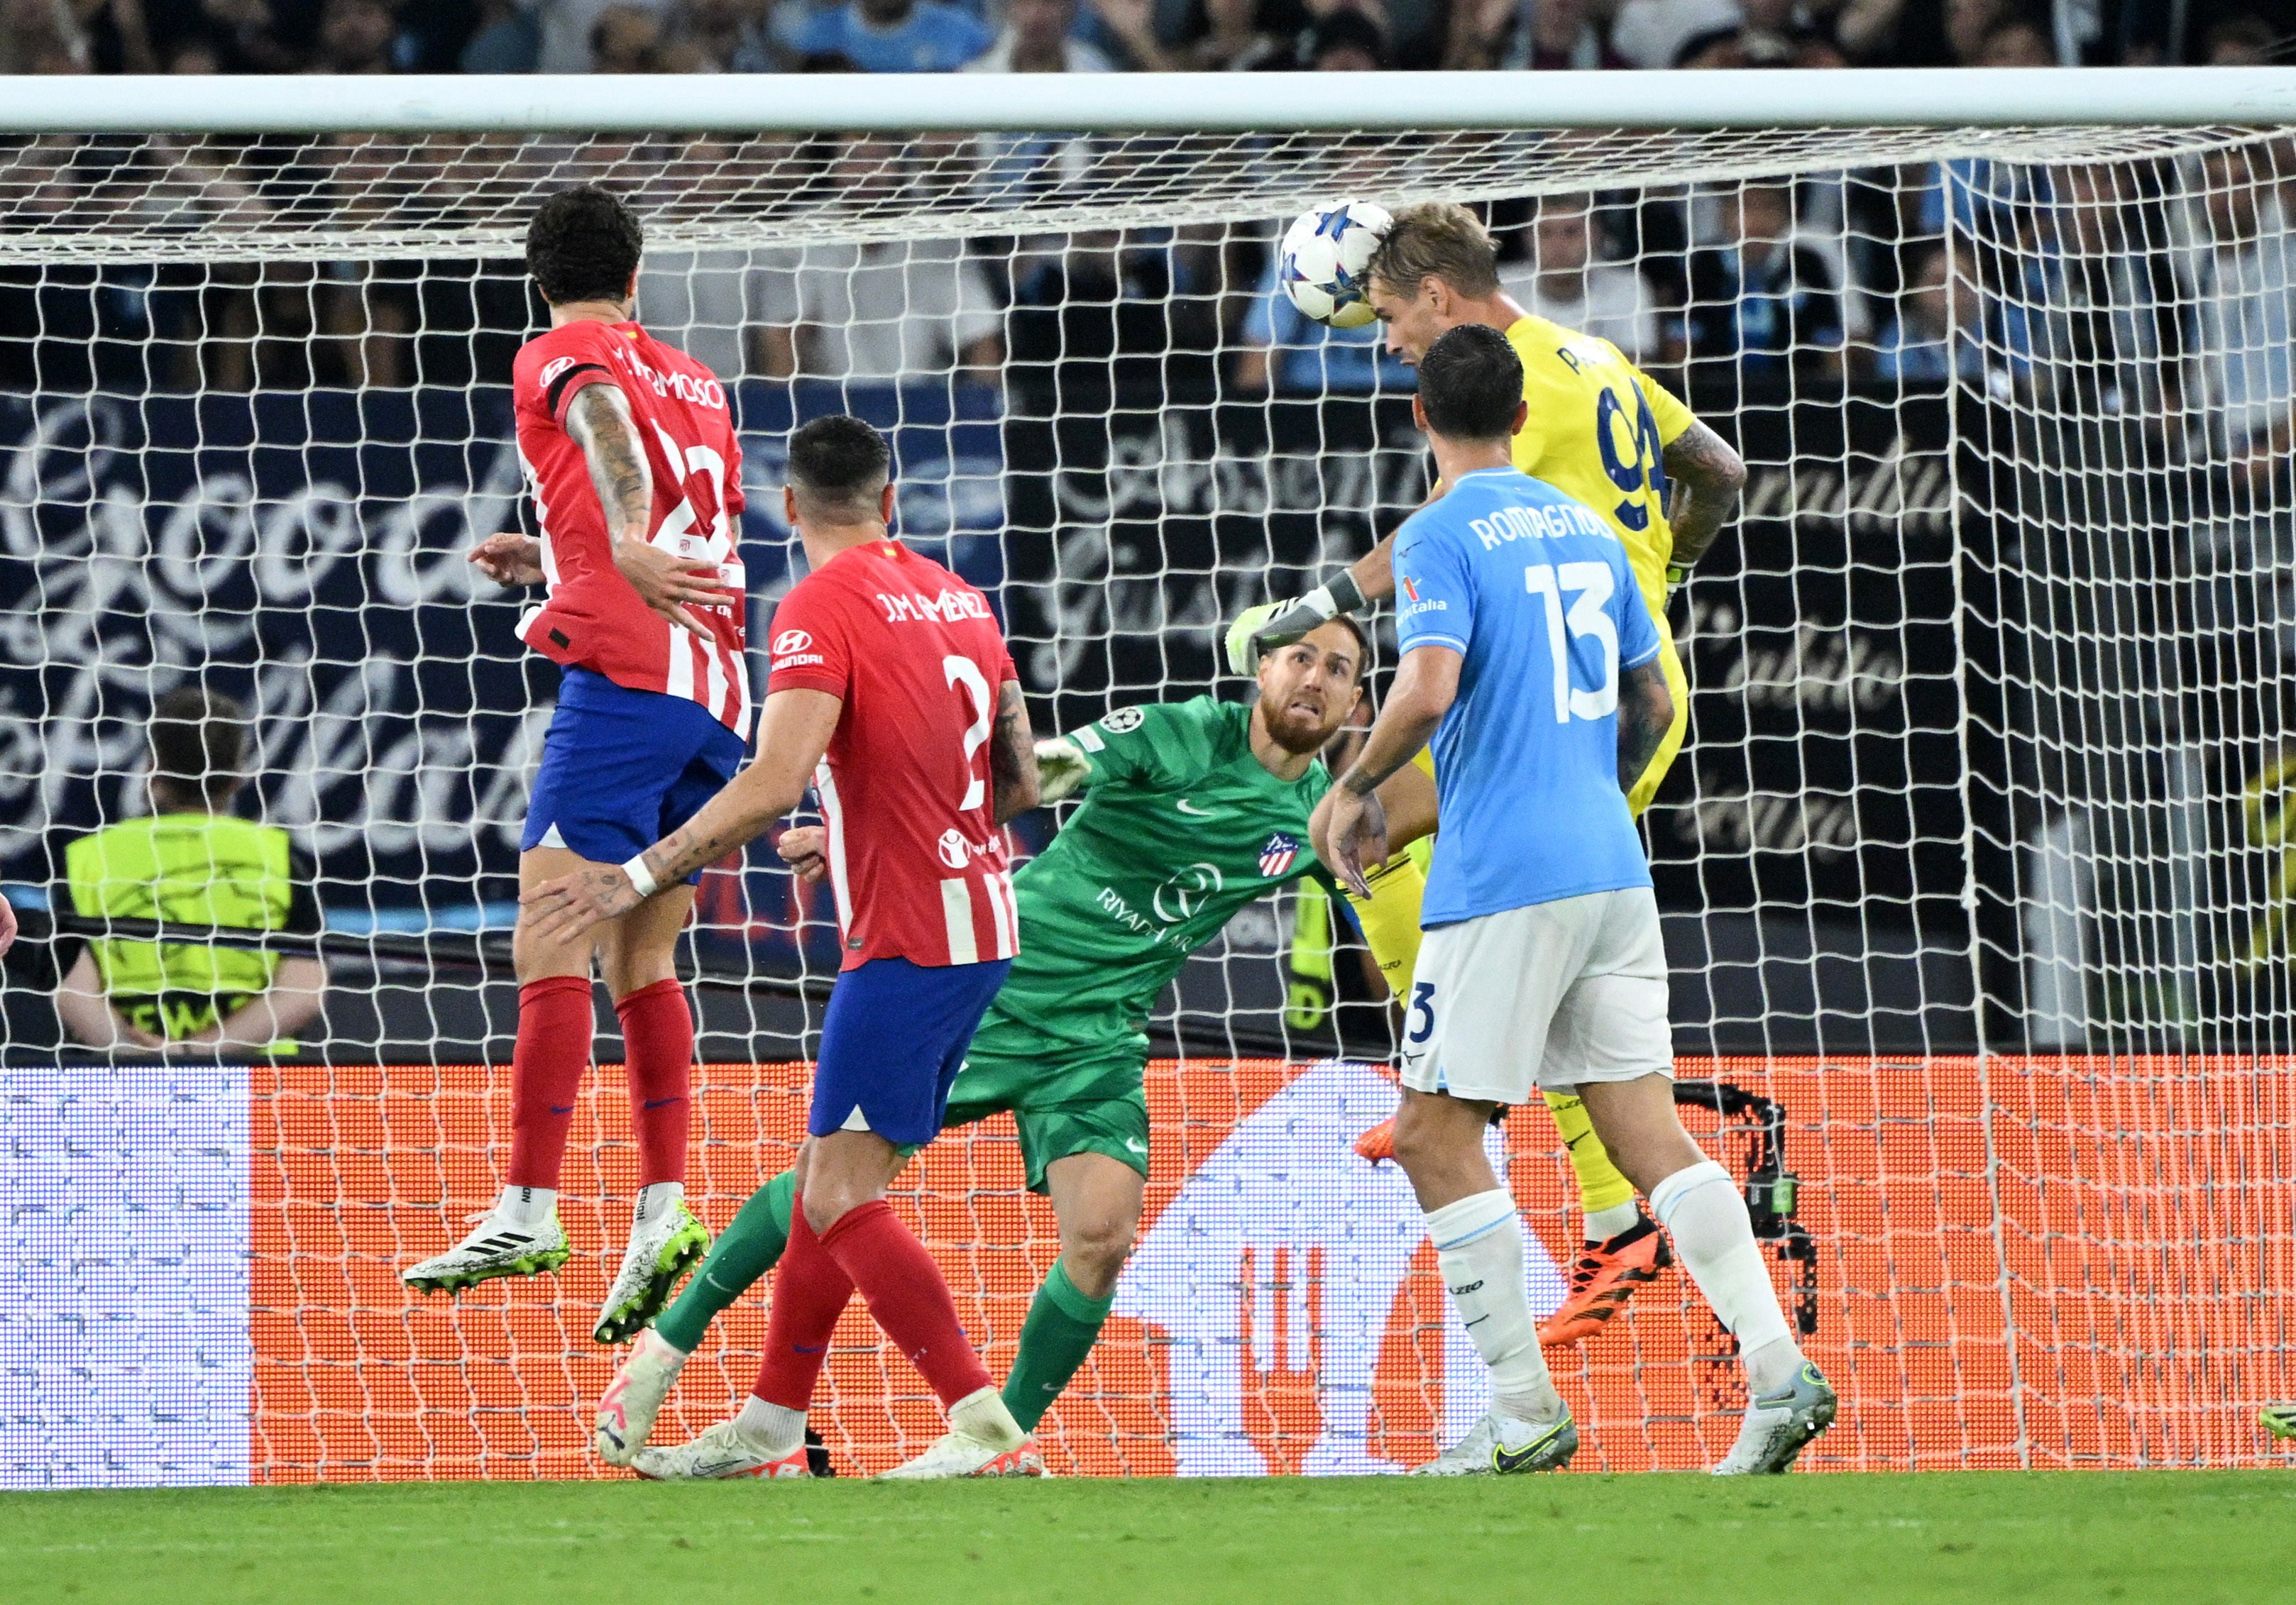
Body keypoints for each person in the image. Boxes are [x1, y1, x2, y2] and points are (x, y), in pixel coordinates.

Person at [600, 617, 1371, 1479]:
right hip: (994, 987)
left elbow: (1414, 860)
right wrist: (866, 832)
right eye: (1300, 657)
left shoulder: (1316, 823)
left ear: (1356, 702)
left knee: (1104, 1235)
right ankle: (666, 1349)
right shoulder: (1176, 731)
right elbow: (1034, 773)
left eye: (1337, 669)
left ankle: (990, 1445)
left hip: (1099, 1037)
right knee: (834, 1180)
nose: (1314, 679)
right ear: (1261, 668)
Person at [1224, 199, 1746, 1347]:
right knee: (1390, 850)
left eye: (1391, 313)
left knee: (1359, 825)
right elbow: (1716, 465)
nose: (1386, 337)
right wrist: (1667, 565)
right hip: (1616, 681)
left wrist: (1320, 604)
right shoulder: (1593, 358)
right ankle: (1450, 1096)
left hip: (1566, 706)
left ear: (1440, 296)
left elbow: (1441, 531)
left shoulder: (1526, 385)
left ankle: (1584, 1194)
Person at [1319, 324, 1835, 1476]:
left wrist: (1355, 786)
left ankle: (1523, 1411)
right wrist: (1582, 792)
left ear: (1419, 418)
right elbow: (1654, 702)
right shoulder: (1592, 528)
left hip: (1503, 878)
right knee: (1646, 1132)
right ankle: (1779, 1371)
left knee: (1431, 1133)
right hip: (1608, 865)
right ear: (1518, 415)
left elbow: (1431, 680)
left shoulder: (1440, 532)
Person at [529, 414, 1045, 1481]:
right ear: (891, 500)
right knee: (827, 1175)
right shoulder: (963, 598)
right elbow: (1016, 782)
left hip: (906, 937)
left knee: (840, 1196)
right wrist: (851, 830)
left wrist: (633, 874)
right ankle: (770, 1418)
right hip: (984, 919)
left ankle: (981, 1419)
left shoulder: (816, 604)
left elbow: (768, 780)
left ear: (789, 507)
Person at [400, 185, 751, 1348]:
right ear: (638, 273)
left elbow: (602, 423)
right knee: (642, 951)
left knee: (547, 928)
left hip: (630, 677)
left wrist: (625, 535)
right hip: (716, 690)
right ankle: (662, 1206)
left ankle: (527, 1204)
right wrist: (556, 557)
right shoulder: (699, 378)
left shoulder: (557, 349)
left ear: (534, 277)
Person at [53, 688, 326, 1056]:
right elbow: (302, 992)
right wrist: (198, 1053)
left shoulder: (87, 858)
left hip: (117, 1089)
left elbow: (73, 991)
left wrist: (141, 1057)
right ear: (237, 778)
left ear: (152, 769)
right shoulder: (276, 855)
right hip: (258, 1089)